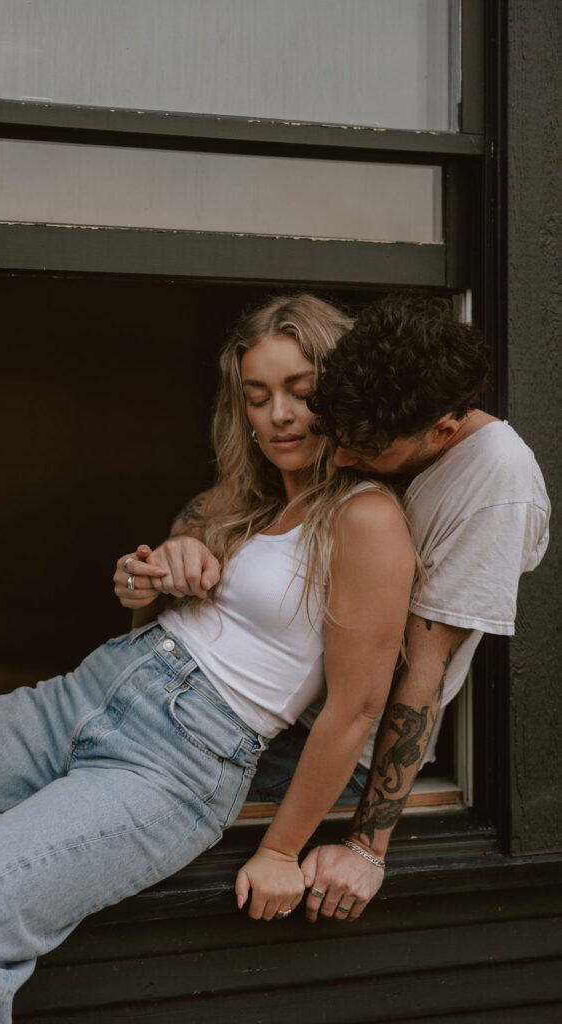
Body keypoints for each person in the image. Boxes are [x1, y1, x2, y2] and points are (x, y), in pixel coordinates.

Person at [0, 295, 416, 1023]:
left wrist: (282, 852)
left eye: (299, 390)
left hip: (175, 763)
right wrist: (149, 572)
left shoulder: (366, 517)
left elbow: (355, 708)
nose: (277, 416)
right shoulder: (228, 502)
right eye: (256, 397)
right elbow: (145, 601)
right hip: (86, 693)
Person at [127, 292, 550, 926]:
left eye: (368, 453)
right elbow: (238, 502)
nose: (345, 461)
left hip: (321, 746)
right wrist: (176, 555)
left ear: (441, 431)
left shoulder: (496, 485)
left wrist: (366, 847)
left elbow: (424, 665)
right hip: (261, 699)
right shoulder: (375, 411)